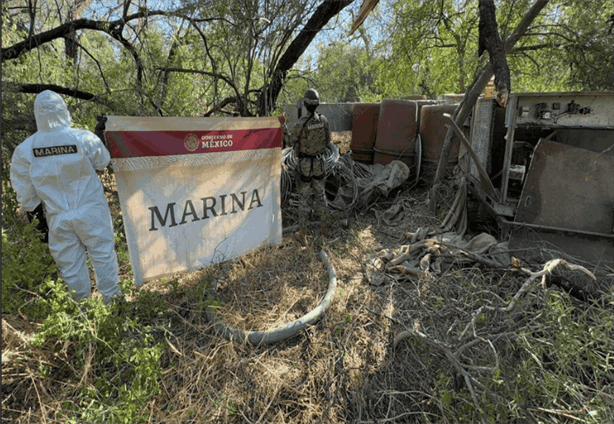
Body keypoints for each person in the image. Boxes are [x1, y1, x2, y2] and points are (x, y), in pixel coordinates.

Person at [10, 90, 122, 305]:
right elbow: (103, 161)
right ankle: (113, 304)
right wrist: (99, 136)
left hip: (57, 216)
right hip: (91, 209)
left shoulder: (25, 150)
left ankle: (81, 312)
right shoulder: (82, 138)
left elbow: (25, 194)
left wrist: (39, 223)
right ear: (64, 110)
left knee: (70, 265)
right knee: (103, 255)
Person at [288, 89, 332, 239]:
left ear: (305, 104)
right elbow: (328, 142)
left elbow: (289, 141)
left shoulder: (300, 124)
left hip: (305, 167)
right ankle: (324, 229)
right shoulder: (323, 121)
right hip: (319, 164)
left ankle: (303, 235)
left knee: (304, 200)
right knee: (321, 196)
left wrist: (282, 128)